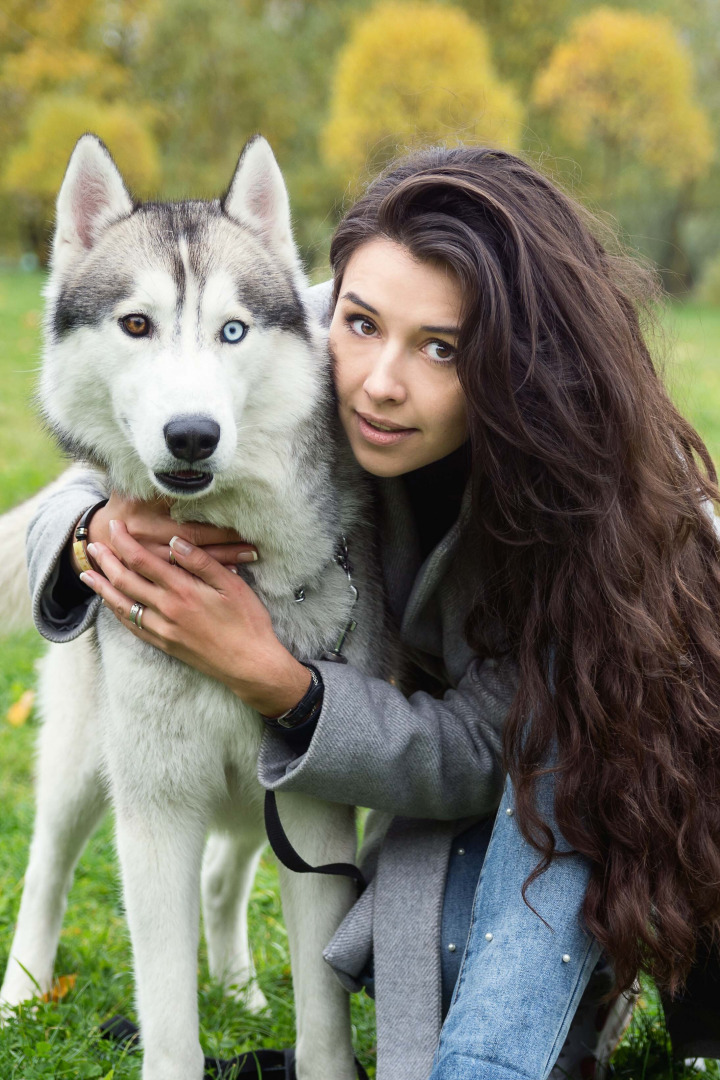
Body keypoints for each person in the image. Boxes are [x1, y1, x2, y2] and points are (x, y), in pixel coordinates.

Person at [25, 146, 720, 1079]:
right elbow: (103, 456)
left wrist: (288, 689)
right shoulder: (282, 331)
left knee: (448, 946)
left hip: (630, 784)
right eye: (361, 322)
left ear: (520, 361)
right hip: (447, 763)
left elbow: (493, 752)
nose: (381, 381)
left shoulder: (590, 510)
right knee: (411, 955)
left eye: (443, 347)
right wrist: (90, 531)